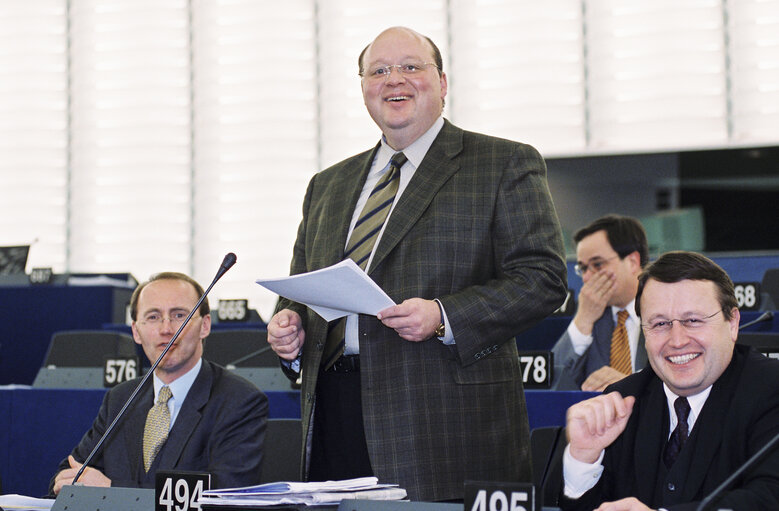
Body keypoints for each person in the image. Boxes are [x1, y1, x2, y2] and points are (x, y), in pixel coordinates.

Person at [266, 26, 567, 501]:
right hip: (333, 418)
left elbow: (544, 280)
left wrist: (444, 316)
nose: (394, 80)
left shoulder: (502, 163)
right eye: (379, 71)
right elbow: (303, 287)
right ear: (363, 87)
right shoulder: (327, 185)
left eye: (410, 67)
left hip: (443, 426)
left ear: (442, 83)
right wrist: (290, 330)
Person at [554, 251, 779, 510]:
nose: (677, 340)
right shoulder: (623, 401)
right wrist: (583, 458)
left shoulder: (771, 390)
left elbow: (770, 498)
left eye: (693, 320)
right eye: (660, 324)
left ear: (732, 323)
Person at [50, 272, 268, 494]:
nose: (166, 329)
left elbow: (224, 497)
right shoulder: (121, 398)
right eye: (153, 317)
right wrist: (65, 482)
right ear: (136, 331)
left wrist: (112, 490)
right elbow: (71, 472)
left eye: (179, 315)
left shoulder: (239, 400)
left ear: (205, 326)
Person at [552, 215, 649, 391]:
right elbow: (554, 381)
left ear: (632, 262)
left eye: (597, 264)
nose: (587, 277)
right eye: (583, 268)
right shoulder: (592, 315)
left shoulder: (666, 312)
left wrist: (631, 384)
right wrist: (583, 320)